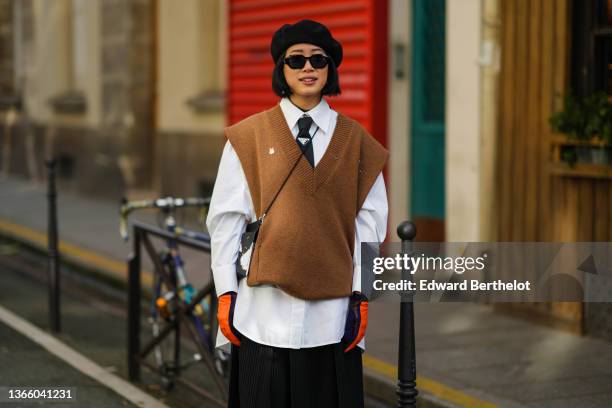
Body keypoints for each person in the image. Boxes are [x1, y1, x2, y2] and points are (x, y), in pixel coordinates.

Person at [206, 19, 388, 408]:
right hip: (261, 315)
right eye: (296, 60)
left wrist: (362, 295)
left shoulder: (357, 142)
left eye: (318, 60)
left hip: (332, 318)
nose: (308, 68)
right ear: (281, 70)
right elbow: (225, 220)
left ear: (330, 69)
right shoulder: (248, 136)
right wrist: (225, 291)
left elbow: (370, 228)